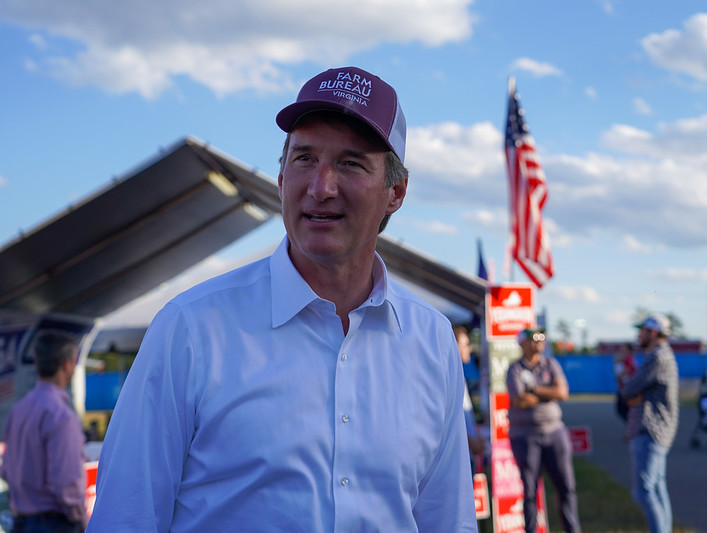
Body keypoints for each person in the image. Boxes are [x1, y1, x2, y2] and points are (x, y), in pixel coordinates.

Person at [86, 66, 477, 532]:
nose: (320, 187)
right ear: (280, 175)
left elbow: (446, 519)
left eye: (351, 163)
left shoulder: (431, 340)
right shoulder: (191, 328)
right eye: (304, 159)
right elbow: (125, 518)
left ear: (395, 192)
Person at [0, 330, 87, 533]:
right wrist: (80, 518)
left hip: (21, 521)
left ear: (37, 363)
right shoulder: (61, 415)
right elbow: (65, 482)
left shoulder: (18, 410)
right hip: (54, 523)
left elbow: (6, 469)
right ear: (67, 364)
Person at [506, 327, 581, 533]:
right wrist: (549, 393)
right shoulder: (515, 369)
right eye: (534, 338)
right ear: (522, 343)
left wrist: (535, 390)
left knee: (566, 487)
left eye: (542, 338)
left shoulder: (551, 364)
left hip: (554, 432)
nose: (539, 342)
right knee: (530, 491)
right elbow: (520, 401)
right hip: (525, 435)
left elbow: (563, 392)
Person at [622, 314, 679, 533]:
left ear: (653, 332)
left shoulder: (657, 355)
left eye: (642, 331)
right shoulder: (662, 354)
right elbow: (633, 393)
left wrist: (637, 394)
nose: (638, 335)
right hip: (658, 430)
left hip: (650, 430)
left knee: (644, 491)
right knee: (656, 489)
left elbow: (629, 389)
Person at [454, 324, 487, 471]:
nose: (470, 348)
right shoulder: (451, 377)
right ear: (453, 345)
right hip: (459, 457)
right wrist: (472, 443)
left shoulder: (459, 374)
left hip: (466, 454)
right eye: (466, 345)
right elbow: (451, 420)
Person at [613, 342, 637, 422]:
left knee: (623, 409)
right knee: (622, 410)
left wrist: (620, 375)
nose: (622, 349)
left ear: (628, 349)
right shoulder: (625, 358)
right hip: (623, 386)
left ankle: (632, 426)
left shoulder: (629, 357)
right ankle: (631, 426)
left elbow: (630, 368)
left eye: (624, 347)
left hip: (626, 387)